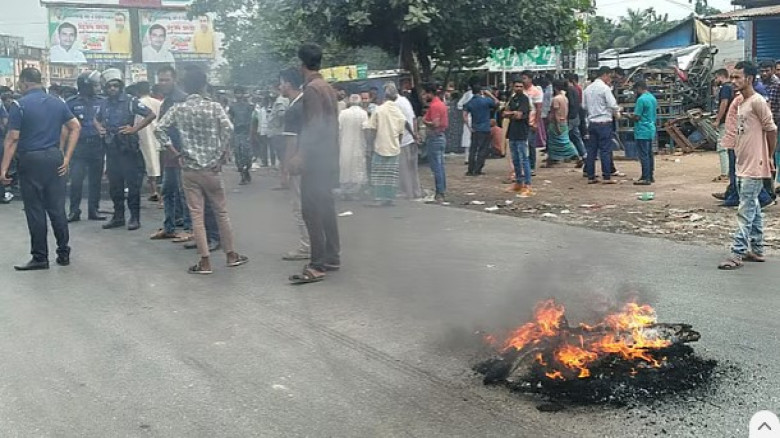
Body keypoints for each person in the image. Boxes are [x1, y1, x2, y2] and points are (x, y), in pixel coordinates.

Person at [155, 65, 248, 274]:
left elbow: (159, 128)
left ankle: (204, 262)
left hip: (189, 168)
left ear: (184, 86)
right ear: (204, 85)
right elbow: (229, 129)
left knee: (196, 215)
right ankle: (231, 255)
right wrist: (221, 153)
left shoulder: (179, 108)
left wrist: (173, 150)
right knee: (221, 212)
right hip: (212, 169)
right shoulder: (214, 107)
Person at [0, 67, 81, 270]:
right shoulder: (58, 102)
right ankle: (63, 253)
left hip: (32, 160)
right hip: (54, 158)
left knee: (35, 209)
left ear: (25, 82)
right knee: (57, 208)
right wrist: (67, 156)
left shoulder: (19, 105)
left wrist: (3, 169)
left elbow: (12, 138)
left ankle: (40, 257)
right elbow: (75, 127)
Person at [287, 43, 341, 285]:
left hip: (316, 159)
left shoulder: (311, 90)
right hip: (328, 155)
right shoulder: (327, 87)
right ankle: (332, 256)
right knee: (326, 206)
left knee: (311, 210)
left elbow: (314, 125)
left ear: (302, 65)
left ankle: (317, 264)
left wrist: (300, 155)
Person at [718, 61, 777, 270]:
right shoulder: (741, 101)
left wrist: (768, 156)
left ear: (749, 79)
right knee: (754, 207)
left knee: (745, 209)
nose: (733, 81)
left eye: (737, 77)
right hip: (743, 162)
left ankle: (737, 253)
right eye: (732, 77)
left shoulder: (757, 102)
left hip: (755, 164)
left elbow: (771, 129)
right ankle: (757, 249)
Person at [95, 68, 156, 231]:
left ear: (120, 86)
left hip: (128, 149)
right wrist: (100, 128)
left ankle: (134, 218)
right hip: (111, 148)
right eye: (109, 86)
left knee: (133, 185)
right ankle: (118, 217)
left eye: (115, 86)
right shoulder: (104, 103)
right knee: (115, 185)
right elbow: (96, 119)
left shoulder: (131, 101)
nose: (112, 89)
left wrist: (135, 129)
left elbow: (150, 115)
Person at [279, 67, 312, 261]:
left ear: (288, 84)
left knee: (298, 206)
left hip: (298, 165)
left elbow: (291, 144)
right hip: (313, 162)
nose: (279, 86)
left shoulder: (293, 110)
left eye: (281, 82)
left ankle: (306, 245)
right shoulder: (308, 103)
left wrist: (285, 170)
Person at [66, 70, 106, 222]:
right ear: (85, 86)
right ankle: (74, 211)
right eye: (94, 85)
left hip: (97, 145)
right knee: (76, 180)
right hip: (79, 147)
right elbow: (65, 126)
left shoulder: (102, 101)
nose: (97, 88)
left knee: (96, 180)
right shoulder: (71, 102)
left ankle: (93, 210)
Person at [365, 82, 407, 207]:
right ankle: (389, 198)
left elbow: (372, 129)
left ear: (384, 95)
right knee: (390, 175)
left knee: (378, 174)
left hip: (380, 146)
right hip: (394, 147)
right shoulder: (399, 112)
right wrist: (397, 144)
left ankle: (379, 198)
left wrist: (369, 146)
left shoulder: (379, 110)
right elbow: (400, 133)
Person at [583, 66, 620, 184]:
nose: (610, 79)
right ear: (605, 75)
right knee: (605, 150)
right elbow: (613, 105)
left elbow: (583, 106)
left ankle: (591, 176)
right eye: (609, 76)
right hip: (604, 123)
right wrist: (618, 110)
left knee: (591, 150)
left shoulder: (587, 89)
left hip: (592, 123)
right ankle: (606, 176)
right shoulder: (605, 89)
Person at [503, 79, 532, 196]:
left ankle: (528, 184)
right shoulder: (512, 99)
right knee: (515, 159)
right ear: (513, 87)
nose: (519, 88)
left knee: (524, 158)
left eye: (521, 86)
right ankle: (518, 183)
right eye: (516, 86)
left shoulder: (524, 99)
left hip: (522, 132)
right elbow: (504, 113)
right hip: (513, 132)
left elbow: (519, 115)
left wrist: (511, 113)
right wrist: (512, 113)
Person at [135, 81, 162, 202]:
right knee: (156, 161)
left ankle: (154, 190)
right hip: (158, 134)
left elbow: (136, 122)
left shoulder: (138, 103)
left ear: (138, 91)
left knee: (148, 162)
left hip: (143, 134)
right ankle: (158, 190)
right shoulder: (158, 103)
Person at [338, 94, 369, 200]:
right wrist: (368, 144)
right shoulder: (363, 113)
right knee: (357, 167)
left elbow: (339, 129)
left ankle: (345, 191)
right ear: (360, 102)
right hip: (359, 144)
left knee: (345, 166)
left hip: (344, 144)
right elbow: (366, 129)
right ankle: (354, 192)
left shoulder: (343, 113)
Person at [464, 83, 498, 176]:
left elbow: (465, 116)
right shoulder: (486, 101)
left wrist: (469, 127)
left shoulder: (469, 103)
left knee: (473, 149)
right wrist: (490, 95)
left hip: (475, 129)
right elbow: (496, 102)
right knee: (483, 149)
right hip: (485, 128)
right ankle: (478, 169)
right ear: (481, 91)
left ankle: (470, 169)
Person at [422, 83, 448, 203]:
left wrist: (425, 121)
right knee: (440, 166)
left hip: (435, 137)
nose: (423, 96)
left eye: (425, 93)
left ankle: (440, 192)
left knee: (436, 167)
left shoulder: (435, 106)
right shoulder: (440, 104)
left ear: (430, 93)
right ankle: (441, 190)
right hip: (440, 137)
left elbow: (435, 123)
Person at [544, 80, 580, 166]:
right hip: (564, 122)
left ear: (555, 88)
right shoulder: (565, 98)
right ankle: (553, 159)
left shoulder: (556, 99)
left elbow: (555, 113)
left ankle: (574, 156)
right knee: (562, 141)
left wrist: (556, 125)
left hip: (557, 123)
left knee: (559, 142)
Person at [629, 81, 658, 185]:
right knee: (649, 154)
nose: (635, 92)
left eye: (636, 90)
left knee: (643, 155)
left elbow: (637, 117)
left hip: (642, 130)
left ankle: (645, 177)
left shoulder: (641, 100)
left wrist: (628, 116)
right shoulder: (652, 98)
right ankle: (650, 175)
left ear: (639, 88)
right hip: (651, 128)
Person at [396, 89, 422, 200]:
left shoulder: (395, 104)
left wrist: (413, 134)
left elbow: (405, 122)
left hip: (404, 140)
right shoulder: (405, 100)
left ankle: (408, 193)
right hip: (411, 140)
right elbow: (413, 118)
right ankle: (417, 191)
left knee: (404, 168)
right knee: (413, 168)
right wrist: (415, 134)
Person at [228, 86, 255, 185]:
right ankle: (242, 175)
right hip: (237, 132)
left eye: (240, 93)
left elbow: (253, 120)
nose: (239, 95)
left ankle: (247, 169)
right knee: (238, 154)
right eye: (237, 93)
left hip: (246, 132)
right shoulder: (232, 107)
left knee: (247, 154)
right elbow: (230, 120)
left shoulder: (249, 107)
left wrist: (252, 133)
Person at [712, 69, 734, 182]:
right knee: (729, 147)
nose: (716, 80)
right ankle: (729, 172)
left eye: (716, 78)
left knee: (722, 147)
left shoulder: (725, 88)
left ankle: (725, 174)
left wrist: (717, 119)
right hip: (732, 121)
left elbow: (724, 103)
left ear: (721, 76)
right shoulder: (733, 87)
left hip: (725, 121)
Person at [521, 71, 543, 173]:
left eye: (525, 78)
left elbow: (538, 109)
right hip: (521, 122)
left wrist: (536, 123)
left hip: (530, 122)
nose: (523, 80)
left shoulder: (536, 91)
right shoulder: (520, 90)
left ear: (530, 79)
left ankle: (532, 166)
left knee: (531, 145)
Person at [566, 75, 586, 165]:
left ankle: (576, 155)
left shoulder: (570, 90)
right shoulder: (577, 89)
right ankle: (583, 154)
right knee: (576, 136)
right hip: (576, 115)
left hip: (571, 116)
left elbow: (572, 103)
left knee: (566, 137)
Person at [251, 97, 273, 167]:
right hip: (262, 131)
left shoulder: (271, 109)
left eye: (264, 101)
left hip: (271, 131)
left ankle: (273, 162)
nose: (263, 102)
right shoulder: (261, 110)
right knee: (263, 147)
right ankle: (265, 162)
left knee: (272, 147)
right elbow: (259, 121)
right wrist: (258, 130)